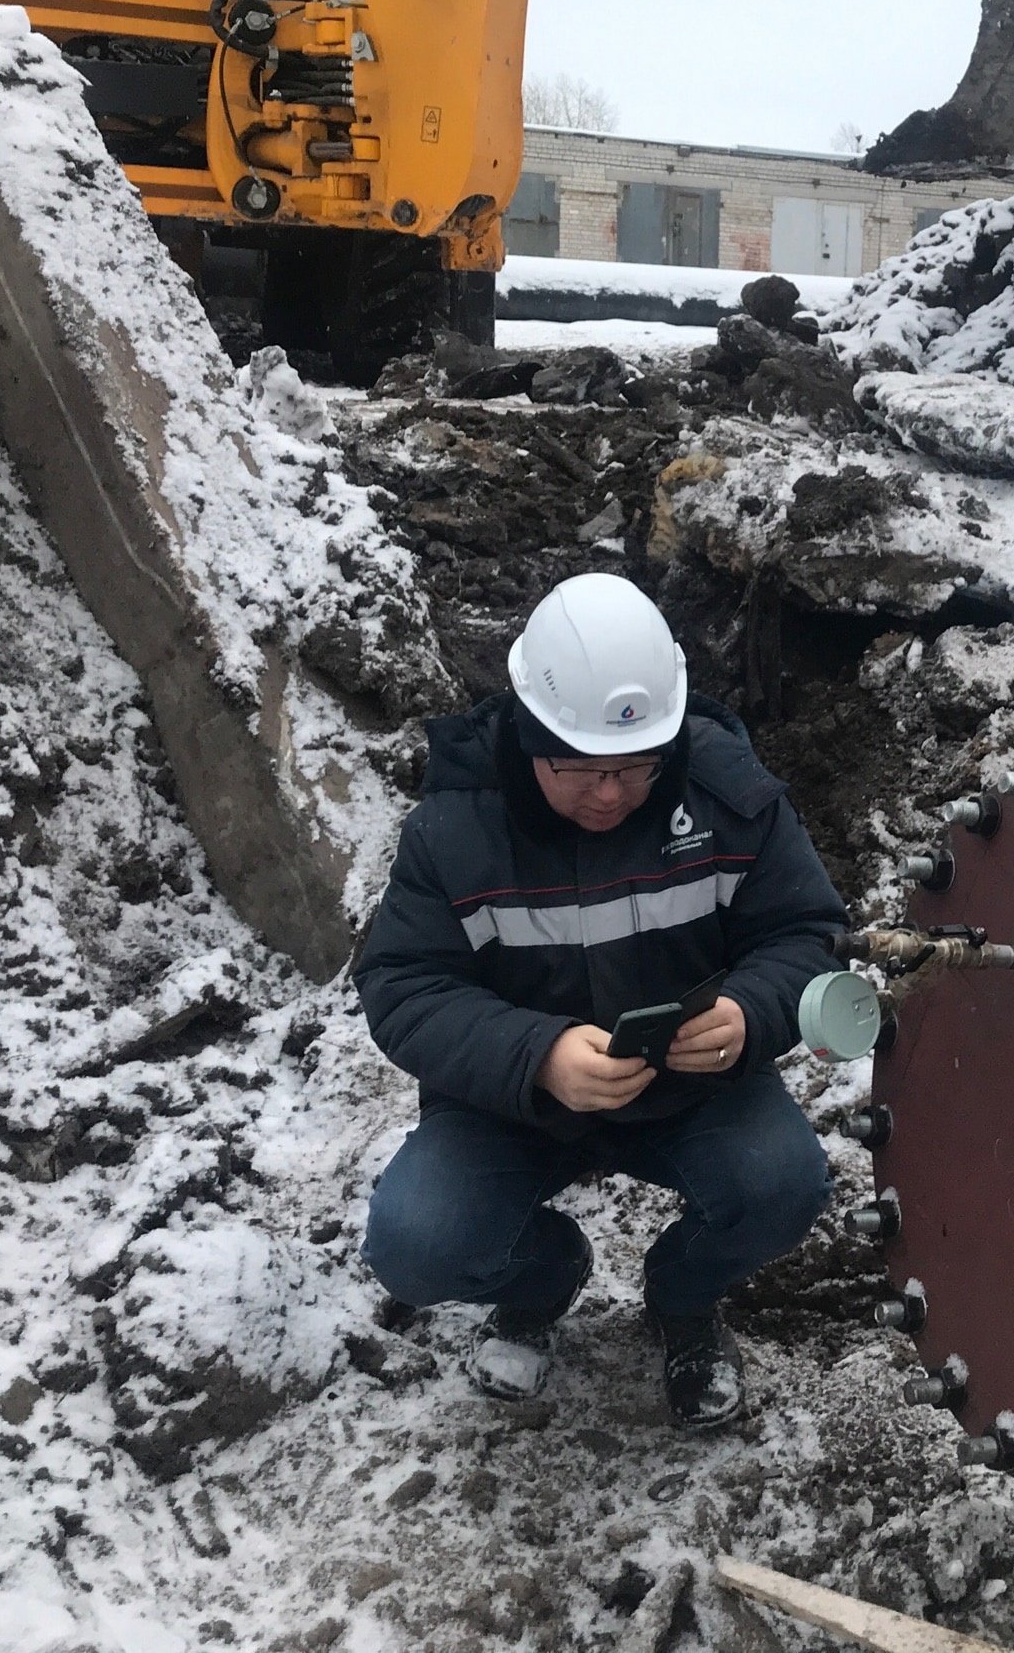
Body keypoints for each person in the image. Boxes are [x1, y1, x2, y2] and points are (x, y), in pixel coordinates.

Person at [355, 575, 847, 1429]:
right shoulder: (454, 825)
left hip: (694, 1089)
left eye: (635, 768)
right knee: (416, 1245)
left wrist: (748, 1014)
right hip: (514, 1106)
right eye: (577, 769)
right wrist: (536, 1056)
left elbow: (806, 933)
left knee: (784, 1187)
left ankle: (684, 1299)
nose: (610, 794)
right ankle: (543, 1278)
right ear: (526, 730)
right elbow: (402, 986)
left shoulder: (731, 797)